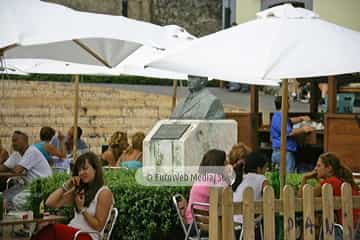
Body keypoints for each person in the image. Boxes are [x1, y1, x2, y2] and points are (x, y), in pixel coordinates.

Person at [32, 152, 114, 240]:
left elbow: (98, 226)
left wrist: (82, 209)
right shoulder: (80, 191)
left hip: (87, 236)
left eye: (85, 168)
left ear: (95, 169)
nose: (81, 172)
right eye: (79, 170)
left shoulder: (104, 192)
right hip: (73, 232)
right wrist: (66, 186)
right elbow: (50, 203)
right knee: (43, 228)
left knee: (52, 229)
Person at [299, 152, 360, 227]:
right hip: (354, 225)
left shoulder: (331, 182)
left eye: (319, 166)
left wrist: (304, 178)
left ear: (329, 168)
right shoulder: (338, 180)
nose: (315, 169)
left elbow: (302, 198)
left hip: (346, 227)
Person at [0, 131, 52, 210]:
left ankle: (23, 220)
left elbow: (17, 171)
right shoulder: (16, 154)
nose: (13, 143)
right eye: (12, 140)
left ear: (24, 141)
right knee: (5, 196)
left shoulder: (32, 151)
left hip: (42, 186)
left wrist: (11, 169)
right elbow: (3, 167)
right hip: (28, 185)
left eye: (15, 140)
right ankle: (11, 218)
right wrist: (9, 168)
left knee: (17, 200)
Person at [185, 149, 227, 237]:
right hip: (205, 228)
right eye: (225, 163)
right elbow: (228, 198)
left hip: (191, 226)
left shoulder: (201, 178)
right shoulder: (217, 179)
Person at [270, 96, 315, 173]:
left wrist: (301, 118)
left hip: (280, 152)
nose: (289, 105)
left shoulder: (278, 115)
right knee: (287, 178)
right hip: (284, 153)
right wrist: (304, 129)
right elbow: (289, 132)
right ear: (285, 104)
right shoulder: (280, 117)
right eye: (288, 103)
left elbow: (289, 121)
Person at [233, 151, 269, 239]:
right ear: (258, 169)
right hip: (248, 228)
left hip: (233, 226)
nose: (266, 171)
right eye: (265, 168)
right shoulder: (262, 179)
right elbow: (269, 199)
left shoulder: (240, 178)